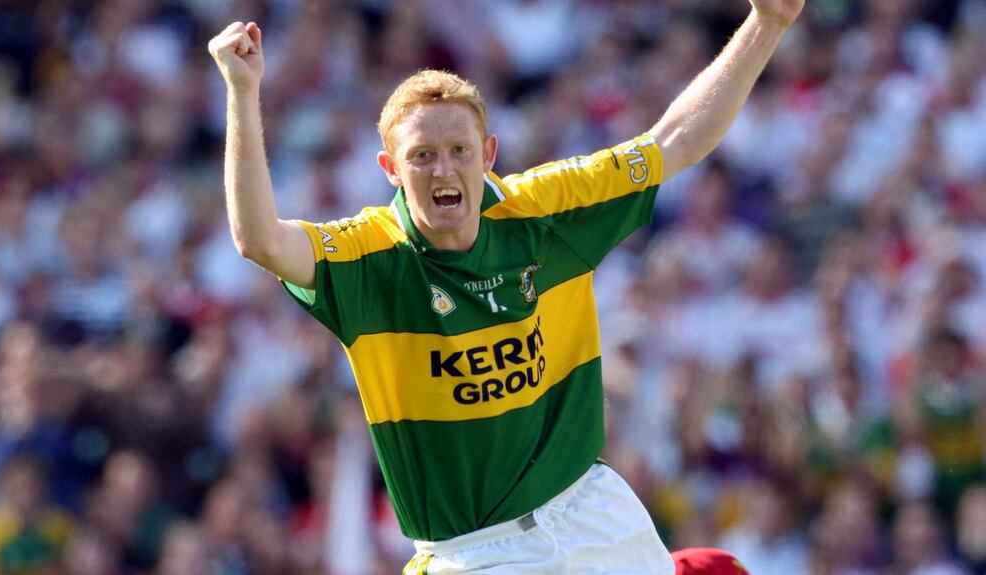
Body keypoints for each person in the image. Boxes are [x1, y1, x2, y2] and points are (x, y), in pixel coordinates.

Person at [208, 0, 804, 572]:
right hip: (478, 553)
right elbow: (260, 240)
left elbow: (673, 141)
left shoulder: (545, 209)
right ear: (390, 169)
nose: (444, 169)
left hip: (595, 513)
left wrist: (766, 22)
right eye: (421, 156)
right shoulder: (367, 257)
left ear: (488, 155)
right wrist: (242, 90)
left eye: (459, 151)